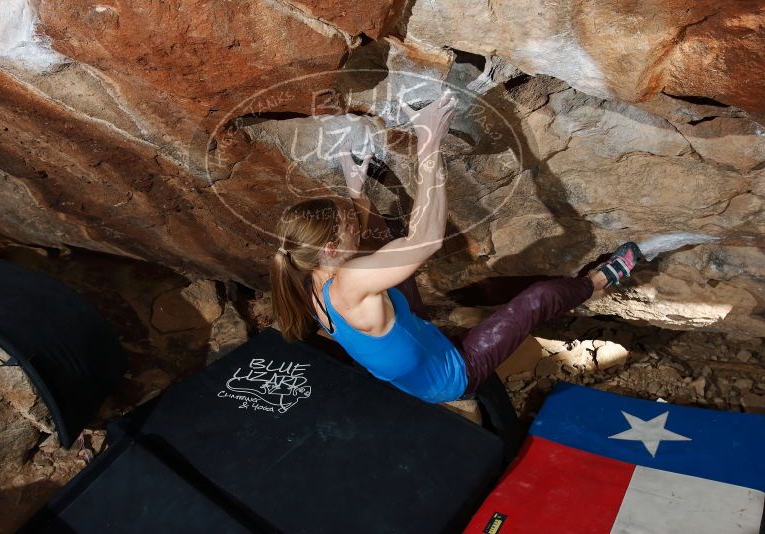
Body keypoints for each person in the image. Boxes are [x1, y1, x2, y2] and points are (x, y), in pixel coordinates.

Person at [270, 90, 643, 403]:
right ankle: (598, 282)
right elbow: (426, 240)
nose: (356, 221)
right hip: (451, 374)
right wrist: (429, 144)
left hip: (411, 336)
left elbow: (367, 249)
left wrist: (356, 189)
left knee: (385, 241)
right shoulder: (349, 284)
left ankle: (365, 218)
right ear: (332, 250)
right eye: (349, 222)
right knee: (539, 297)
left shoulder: (307, 275)